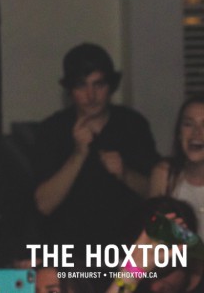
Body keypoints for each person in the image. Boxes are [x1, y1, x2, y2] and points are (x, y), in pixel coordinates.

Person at [33, 43, 159, 267]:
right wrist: (78, 154)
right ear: (70, 90)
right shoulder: (52, 130)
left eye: (98, 84)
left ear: (110, 86)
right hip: (69, 256)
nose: (91, 95)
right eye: (82, 86)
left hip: (125, 253)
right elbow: (43, 204)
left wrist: (125, 174)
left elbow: (156, 194)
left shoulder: (132, 125)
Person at [151, 95, 204, 238]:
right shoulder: (165, 175)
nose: (196, 132)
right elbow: (151, 238)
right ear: (179, 133)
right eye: (188, 124)